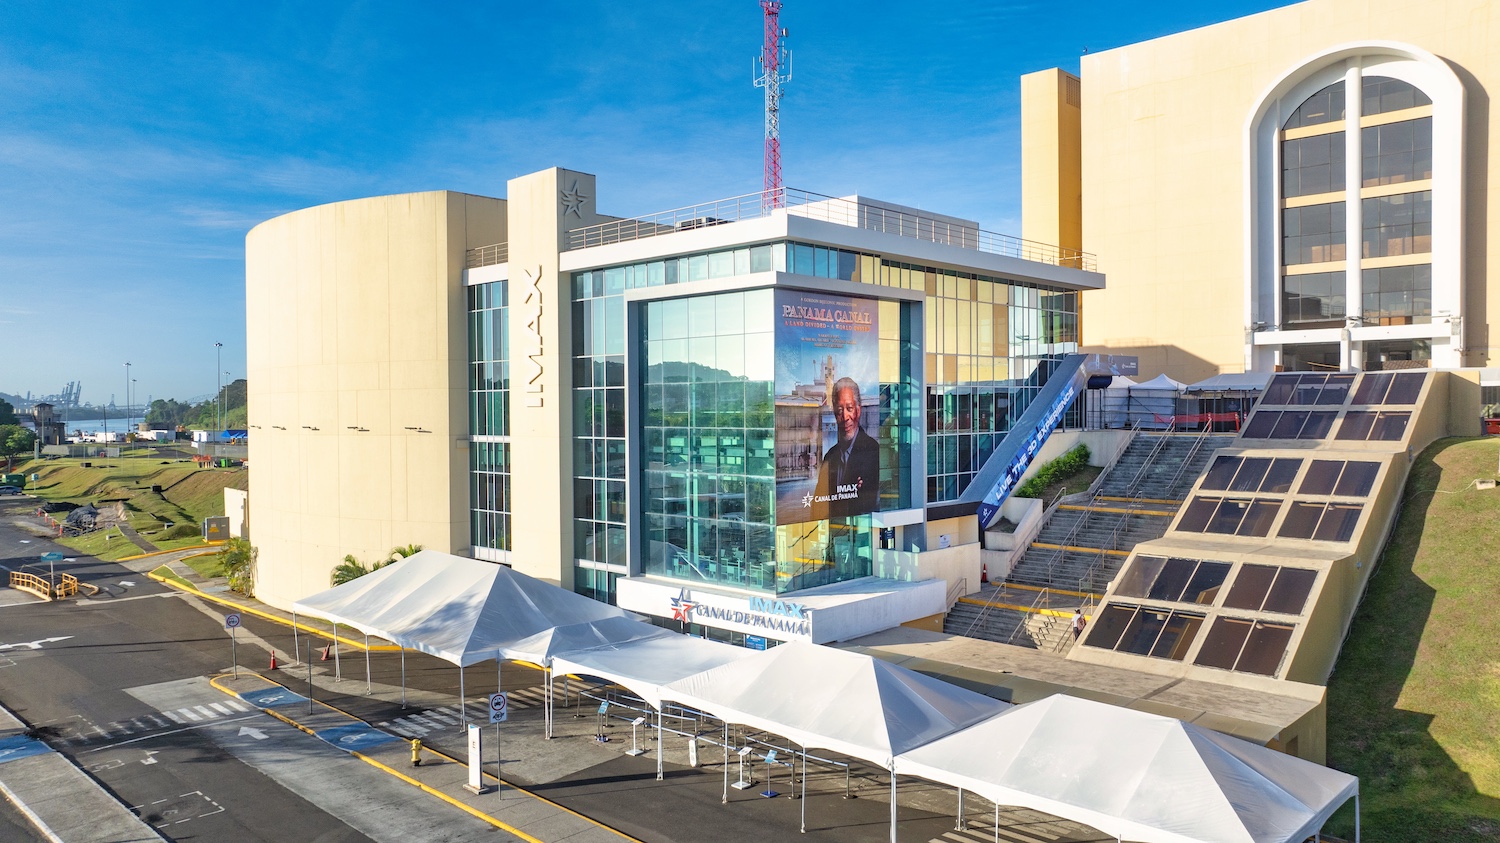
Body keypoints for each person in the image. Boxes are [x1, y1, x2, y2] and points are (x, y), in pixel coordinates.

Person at [813, 377, 880, 519]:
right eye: (839, 410)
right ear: (834, 414)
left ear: (858, 410)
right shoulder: (830, 457)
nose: (845, 417)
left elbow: (875, 503)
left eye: (849, 408)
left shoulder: (874, 451)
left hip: (861, 529)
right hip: (834, 530)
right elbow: (817, 506)